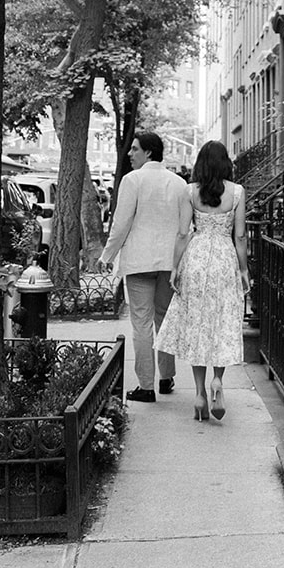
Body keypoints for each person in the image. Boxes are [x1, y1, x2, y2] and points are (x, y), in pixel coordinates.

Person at [155, 139, 250, 423]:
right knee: (221, 321)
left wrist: (175, 268)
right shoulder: (237, 192)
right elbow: (241, 236)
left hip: (196, 259)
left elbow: (183, 233)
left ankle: (198, 394)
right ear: (225, 164)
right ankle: (217, 381)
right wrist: (244, 271)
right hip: (224, 259)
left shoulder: (190, 191)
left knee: (197, 324)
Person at [98, 130, 192, 404]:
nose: (130, 153)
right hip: (168, 262)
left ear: (149, 152)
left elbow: (122, 222)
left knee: (141, 322)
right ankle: (166, 377)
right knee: (164, 319)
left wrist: (107, 255)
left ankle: (146, 386)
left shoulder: (132, 180)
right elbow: (184, 227)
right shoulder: (179, 183)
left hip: (139, 260)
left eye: (135, 149)